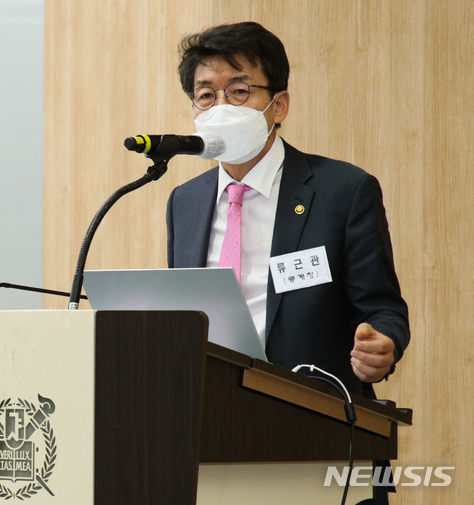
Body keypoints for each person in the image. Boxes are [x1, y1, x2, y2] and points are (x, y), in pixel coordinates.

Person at [166, 21, 410, 399]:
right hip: (208, 411)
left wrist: (382, 345)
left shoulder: (343, 191)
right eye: (206, 95)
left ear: (278, 105)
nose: (221, 108)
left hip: (314, 414)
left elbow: (383, 310)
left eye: (239, 91)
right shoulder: (185, 202)